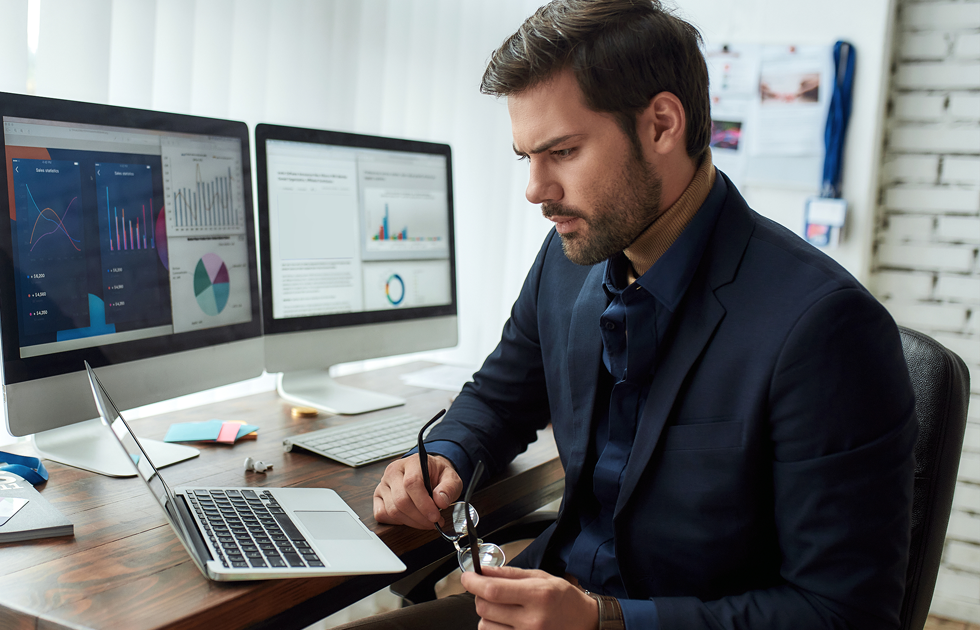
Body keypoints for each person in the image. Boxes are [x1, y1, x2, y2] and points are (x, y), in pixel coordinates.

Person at [352, 0, 918, 629]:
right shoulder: (569, 259)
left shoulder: (824, 328)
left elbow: (845, 614)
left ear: (661, 126)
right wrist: (447, 455)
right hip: (548, 600)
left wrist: (605, 621)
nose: (536, 190)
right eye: (526, 157)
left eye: (563, 151)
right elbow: (501, 396)